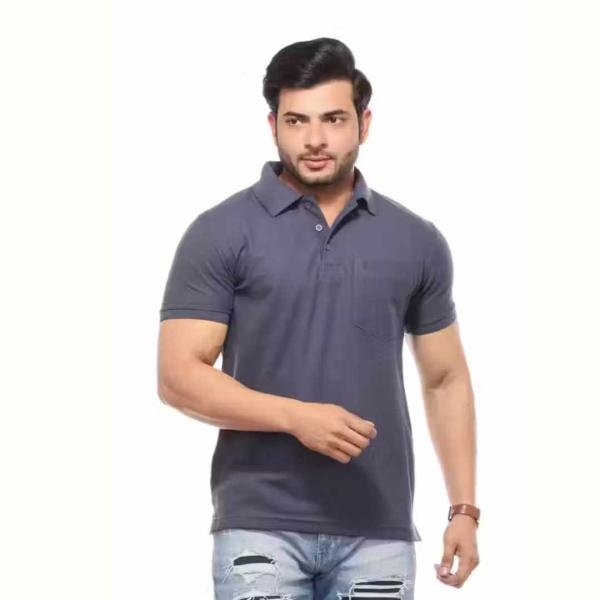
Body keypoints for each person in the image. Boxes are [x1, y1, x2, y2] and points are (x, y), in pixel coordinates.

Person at [157, 37, 480, 599]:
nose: (314, 140)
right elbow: (178, 377)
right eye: (296, 121)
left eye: (333, 119)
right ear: (273, 126)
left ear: (364, 123)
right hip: (259, 526)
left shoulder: (416, 240)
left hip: (378, 529)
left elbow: (445, 378)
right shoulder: (220, 231)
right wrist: (294, 417)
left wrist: (464, 509)